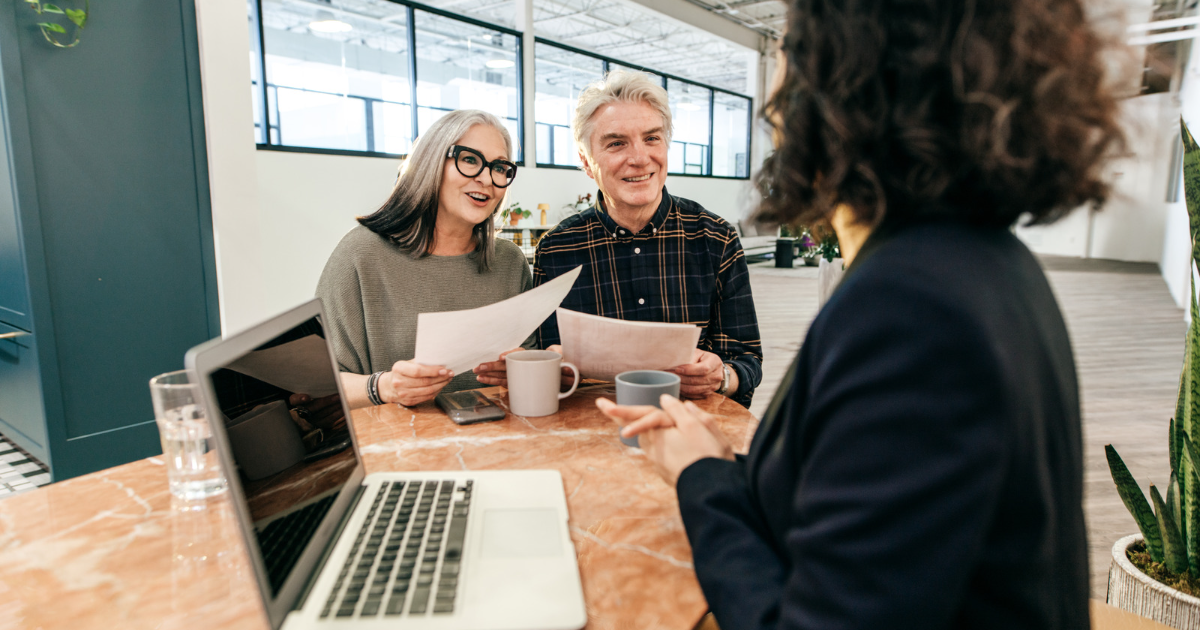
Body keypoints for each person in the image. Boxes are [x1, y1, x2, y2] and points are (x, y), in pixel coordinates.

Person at [597, 1, 1124, 628]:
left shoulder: (912, 308)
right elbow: (861, 500)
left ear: (847, 88)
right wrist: (718, 463)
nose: (775, 100)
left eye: (791, 60)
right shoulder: (981, 260)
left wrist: (698, 477)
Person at [533, 70, 763, 408]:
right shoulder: (557, 250)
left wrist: (722, 376)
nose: (640, 158)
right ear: (585, 161)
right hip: (594, 435)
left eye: (652, 138)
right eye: (616, 143)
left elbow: (746, 360)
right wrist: (553, 369)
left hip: (693, 434)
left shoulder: (716, 239)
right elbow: (546, 365)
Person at [316, 109, 530, 409]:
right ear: (431, 162)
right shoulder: (361, 254)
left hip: (500, 444)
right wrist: (385, 387)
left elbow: (530, 358)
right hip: (397, 449)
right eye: (469, 159)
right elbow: (316, 389)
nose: (486, 179)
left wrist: (520, 371)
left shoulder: (509, 262)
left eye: (499, 167)